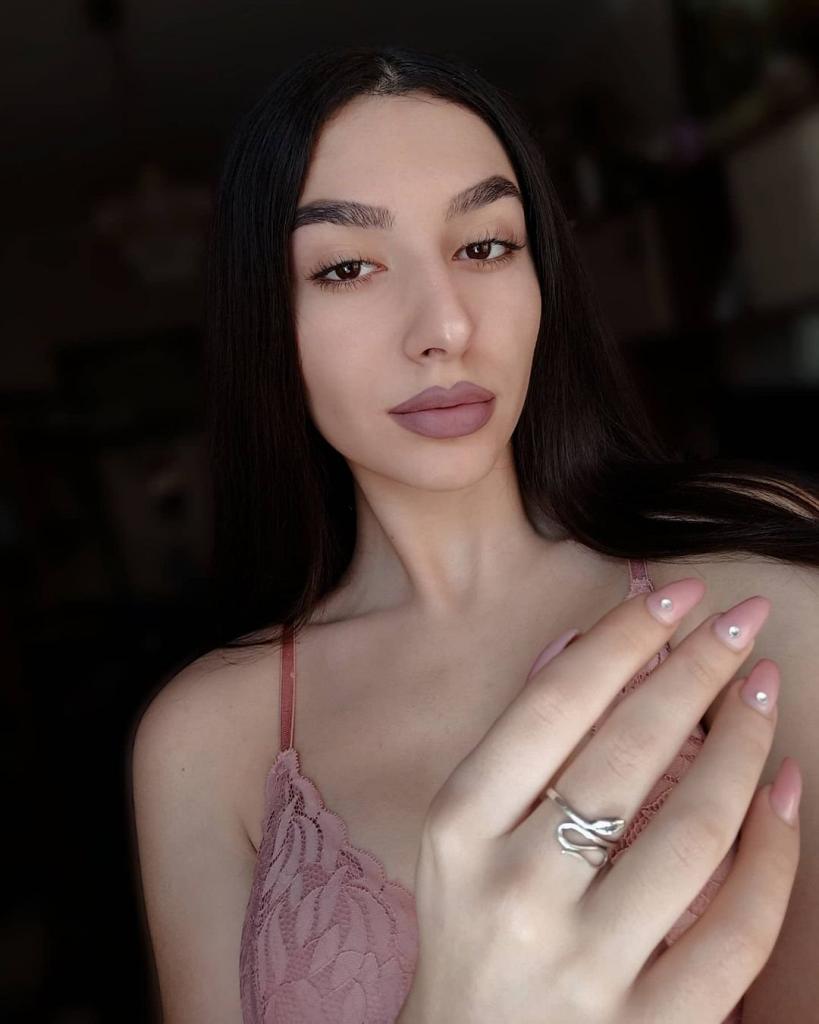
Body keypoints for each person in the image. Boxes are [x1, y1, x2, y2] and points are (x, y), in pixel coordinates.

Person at [129, 45, 819, 1024]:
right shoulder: (206, 739)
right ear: (266, 322)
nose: (444, 326)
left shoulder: (751, 584)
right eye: (348, 267)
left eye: (485, 246)